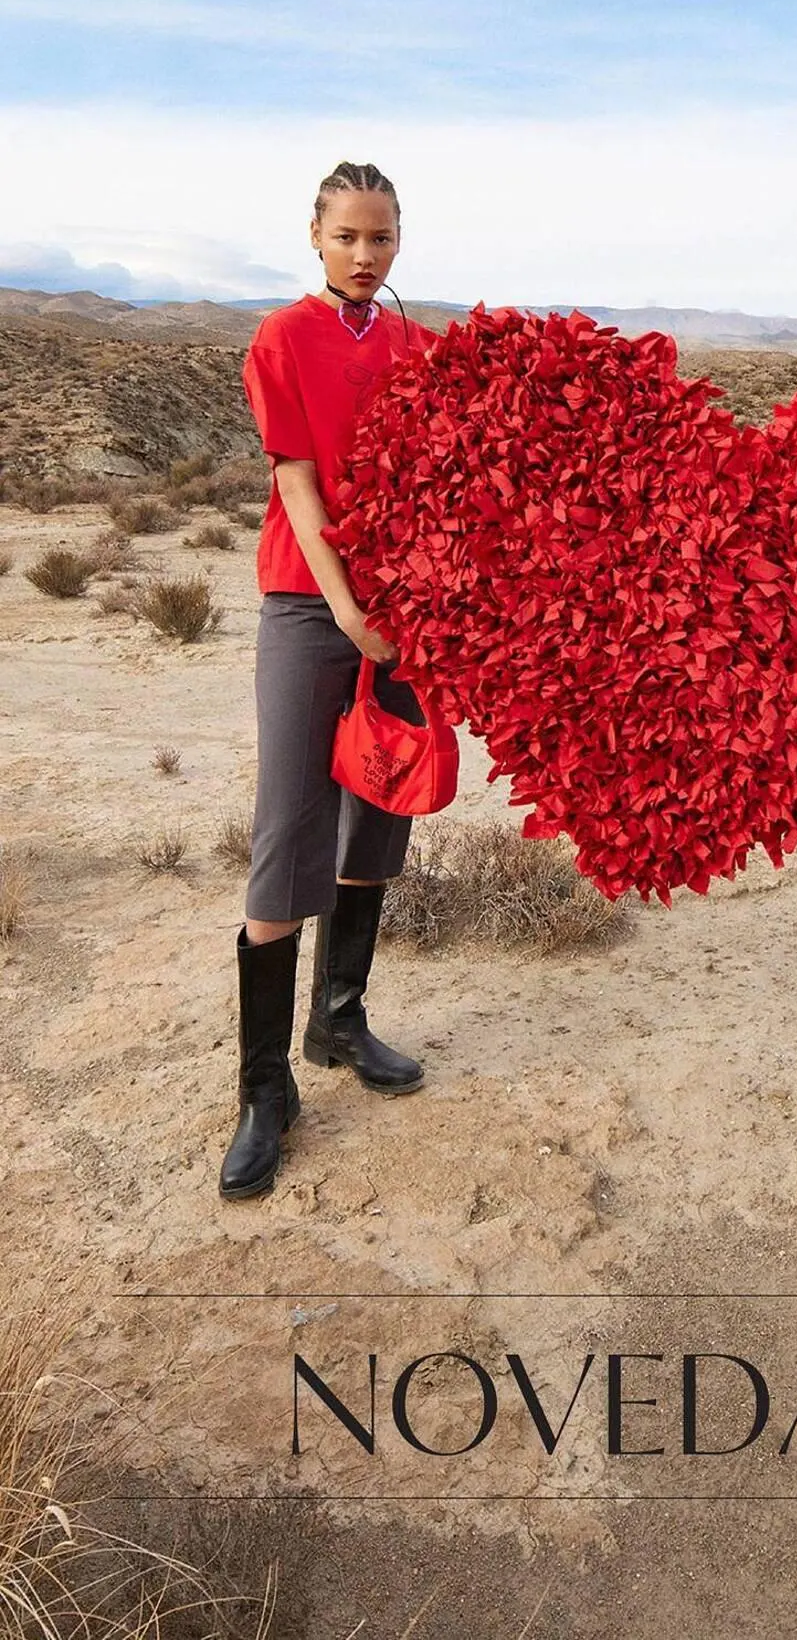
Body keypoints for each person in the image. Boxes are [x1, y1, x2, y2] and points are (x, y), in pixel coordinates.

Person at [219, 161, 440, 1201]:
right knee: (289, 823)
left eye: (382, 236)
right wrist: (349, 606)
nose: (366, 252)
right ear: (316, 235)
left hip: (408, 610)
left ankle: (338, 1019)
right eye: (349, 234)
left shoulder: (411, 343)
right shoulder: (283, 337)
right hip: (314, 605)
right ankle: (266, 1088)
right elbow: (297, 480)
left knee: (380, 807)